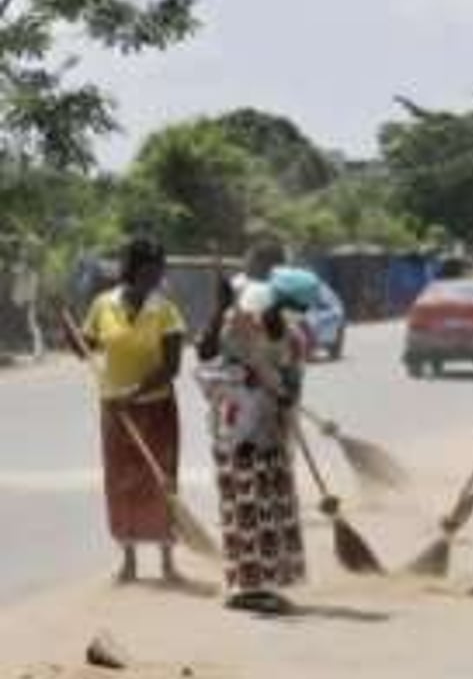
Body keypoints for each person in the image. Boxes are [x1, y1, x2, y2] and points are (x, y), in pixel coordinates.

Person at [195, 268, 319, 612]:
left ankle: (268, 583)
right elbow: (206, 359)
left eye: (297, 309)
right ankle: (246, 587)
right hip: (235, 433)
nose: (292, 314)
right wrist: (219, 309)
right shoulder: (237, 325)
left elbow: (293, 387)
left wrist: (280, 392)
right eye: (288, 306)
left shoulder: (294, 338)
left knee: (272, 511)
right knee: (243, 508)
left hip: (272, 434)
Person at [72, 237, 185, 585]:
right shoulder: (102, 305)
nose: (156, 278)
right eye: (150, 271)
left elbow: (171, 366)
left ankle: (167, 560)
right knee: (122, 483)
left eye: (160, 271)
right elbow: (84, 348)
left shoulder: (165, 310)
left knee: (161, 480)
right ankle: (129, 561)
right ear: (132, 270)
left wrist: (133, 394)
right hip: (116, 412)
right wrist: (70, 331)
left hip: (156, 408)